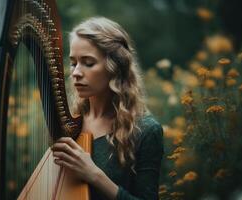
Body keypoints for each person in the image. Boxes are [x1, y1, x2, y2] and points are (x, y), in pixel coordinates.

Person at [51, 17, 164, 200]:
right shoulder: (69, 124)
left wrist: (95, 175)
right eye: (73, 63)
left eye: (88, 63)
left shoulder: (146, 130)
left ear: (114, 67)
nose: (76, 72)